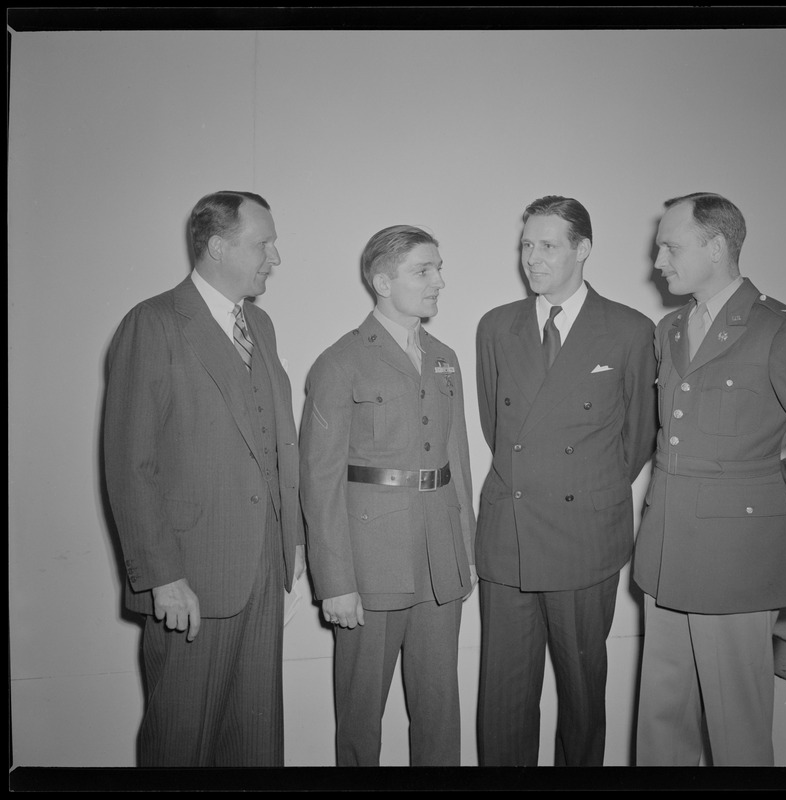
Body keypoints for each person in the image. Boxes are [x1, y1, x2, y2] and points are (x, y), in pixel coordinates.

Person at [633, 192, 786, 766]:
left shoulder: (776, 331)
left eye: (670, 246)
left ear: (716, 247)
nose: (658, 262)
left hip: (736, 559)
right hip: (666, 553)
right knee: (661, 727)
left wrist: (768, 497)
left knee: (737, 734)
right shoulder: (670, 329)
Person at [103, 191, 305, 766]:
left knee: (257, 748)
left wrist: (292, 541)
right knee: (180, 750)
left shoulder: (259, 325)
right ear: (218, 246)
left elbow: (271, 443)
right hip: (190, 583)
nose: (276, 257)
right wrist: (162, 576)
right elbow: (129, 464)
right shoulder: (154, 323)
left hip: (262, 577)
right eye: (263, 243)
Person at [475, 196, 658, 766]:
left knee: (582, 697)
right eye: (526, 245)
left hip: (584, 537)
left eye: (547, 245)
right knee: (502, 700)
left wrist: (582, 484)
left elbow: (636, 438)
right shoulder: (496, 326)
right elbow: (494, 425)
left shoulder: (630, 331)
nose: (532, 257)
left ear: (583, 249)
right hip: (509, 536)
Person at [300, 225, 476, 766]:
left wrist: (463, 559)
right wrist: (335, 582)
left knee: (440, 710)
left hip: (437, 563)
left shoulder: (444, 357)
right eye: (424, 271)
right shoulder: (340, 362)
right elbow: (319, 479)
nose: (439, 281)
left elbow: (459, 464)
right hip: (369, 569)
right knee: (359, 718)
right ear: (382, 281)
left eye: (439, 269)